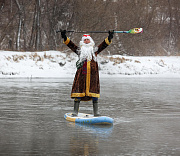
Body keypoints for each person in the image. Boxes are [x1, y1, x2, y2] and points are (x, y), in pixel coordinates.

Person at [61, 30, 114, 116]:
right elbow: (71, 45)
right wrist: (64, 37)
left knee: (94, 94)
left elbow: (103, 45)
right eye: (84, 40)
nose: (86, 41)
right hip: (81, 76)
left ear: (90, 41)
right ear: (82, 42)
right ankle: (75, 112)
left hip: (93, 76)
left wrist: (109, 37)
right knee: (78, 92)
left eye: (87, 40)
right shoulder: (79, 51)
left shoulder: (95, 51)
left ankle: (96, 113)